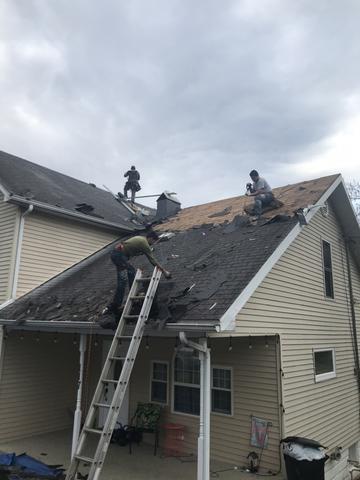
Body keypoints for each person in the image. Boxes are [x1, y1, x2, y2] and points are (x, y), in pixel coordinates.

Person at [104, 231, 171, 316]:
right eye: (153, 241)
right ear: (150, 238)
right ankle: (133, 292)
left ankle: (116, 304)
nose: (153, 244)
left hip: (117, 254)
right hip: (119, 255)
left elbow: (132, 248)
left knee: (122, 280)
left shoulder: (140, 239)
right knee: (131, 271)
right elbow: (152, 260)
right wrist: (164, 271)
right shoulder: (144, 243)